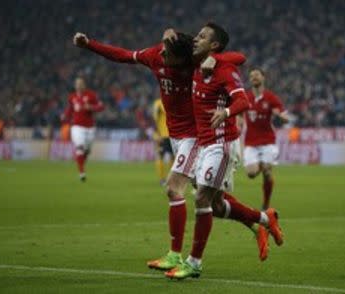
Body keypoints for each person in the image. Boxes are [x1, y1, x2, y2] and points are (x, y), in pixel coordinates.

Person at [73, 31, 270, 270]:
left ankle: (176, 255)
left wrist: (215, 60)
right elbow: (123, 55)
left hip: (195, 136)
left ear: (183, 58)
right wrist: (88, 44)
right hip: (175, 136)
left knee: (174, 189)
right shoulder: (156, 55)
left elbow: (238, 57)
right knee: (215, 203)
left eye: (168, 52)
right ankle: (261, 220)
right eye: (163, 49)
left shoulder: (195, 61)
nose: (162, 53)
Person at [165, 23, 284, 280]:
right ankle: (265, 218)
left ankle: (193, 263)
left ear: (215, 45)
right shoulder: (197, 63)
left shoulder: (224, 69)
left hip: (221, 143)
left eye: (203, 37)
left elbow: (244, 99)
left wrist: (226, 111)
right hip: (205, 143)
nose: (196, 39)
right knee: (217, 206)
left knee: (201, 199)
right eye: (196, 35)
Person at [243, 68, 289, 210]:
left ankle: (266, 203)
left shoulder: (271, 97)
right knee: (251, 173)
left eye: (257, 75)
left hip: (268, 141)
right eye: (251, 76)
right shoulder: (245, 97)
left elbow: (285, 117)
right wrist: (238, 121)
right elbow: (237, 112)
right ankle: (265, 164)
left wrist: (280, 116)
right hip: (250, 142)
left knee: (268, 173)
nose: (254, 77)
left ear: (263, 78)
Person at [61, 76, 104, 182]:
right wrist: (65, 116)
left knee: (87, 151)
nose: (79, 85)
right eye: (77, 84)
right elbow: (70, 109)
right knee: (80, 148)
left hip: (90, 127)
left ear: (84, 85)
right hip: (77, 127)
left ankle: (81, 165)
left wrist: (92, 108)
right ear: (75, 85)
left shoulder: (91, 95)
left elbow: (101, 107)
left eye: (81, 83)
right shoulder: (72, 97)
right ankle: (82, 173)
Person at [152, 97, 174, 185]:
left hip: (170, 135)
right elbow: (155, 119)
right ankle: (163, 179)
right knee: (162, 156)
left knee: (171, 157)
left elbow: (154, 119)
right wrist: (157, 134)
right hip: (164, 135)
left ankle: (169, 178)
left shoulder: (158, 103)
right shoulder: (159, 103)